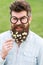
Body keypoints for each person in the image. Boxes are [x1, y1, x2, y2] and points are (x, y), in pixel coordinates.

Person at [0, 0, 43, 65]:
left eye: (23, 18)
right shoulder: (1, 39)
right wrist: (2, 56)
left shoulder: (40, 44)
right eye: (14, 18)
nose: (18, 23)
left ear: (29, 19)